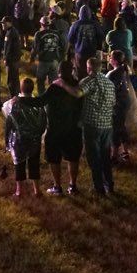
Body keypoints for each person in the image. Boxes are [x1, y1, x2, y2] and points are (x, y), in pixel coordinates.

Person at [41, 63, 84, 194]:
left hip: (55, 129)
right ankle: (72, 185)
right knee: (73, 158)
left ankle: (57, 186)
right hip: (73, 128)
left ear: (59, 71)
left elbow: (41, 101)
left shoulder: (55, 86)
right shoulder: (77, 86)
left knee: (54, 158)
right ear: (72, 71)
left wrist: (21, 100)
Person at [79, 55, 117, 196]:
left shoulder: (89, 81)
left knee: (94, 157)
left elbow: (78, 93)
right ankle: (109, 184)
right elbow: (113, 103)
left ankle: (99, 187)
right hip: (107, 125)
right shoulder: (109, 83)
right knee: (105, 156)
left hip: (92, 125)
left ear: (89, 68)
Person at [3, 78, 47, 198]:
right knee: (34, 164)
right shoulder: (38, 104)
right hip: (35, 141)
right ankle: (37, 190)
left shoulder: (15, 104)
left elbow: (9, 123)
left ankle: (19, 191)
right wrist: (38, 136)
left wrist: (6, 140)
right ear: (32, 89)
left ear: (20, 89)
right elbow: (44, 123)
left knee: (19, 164)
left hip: (19, 141)